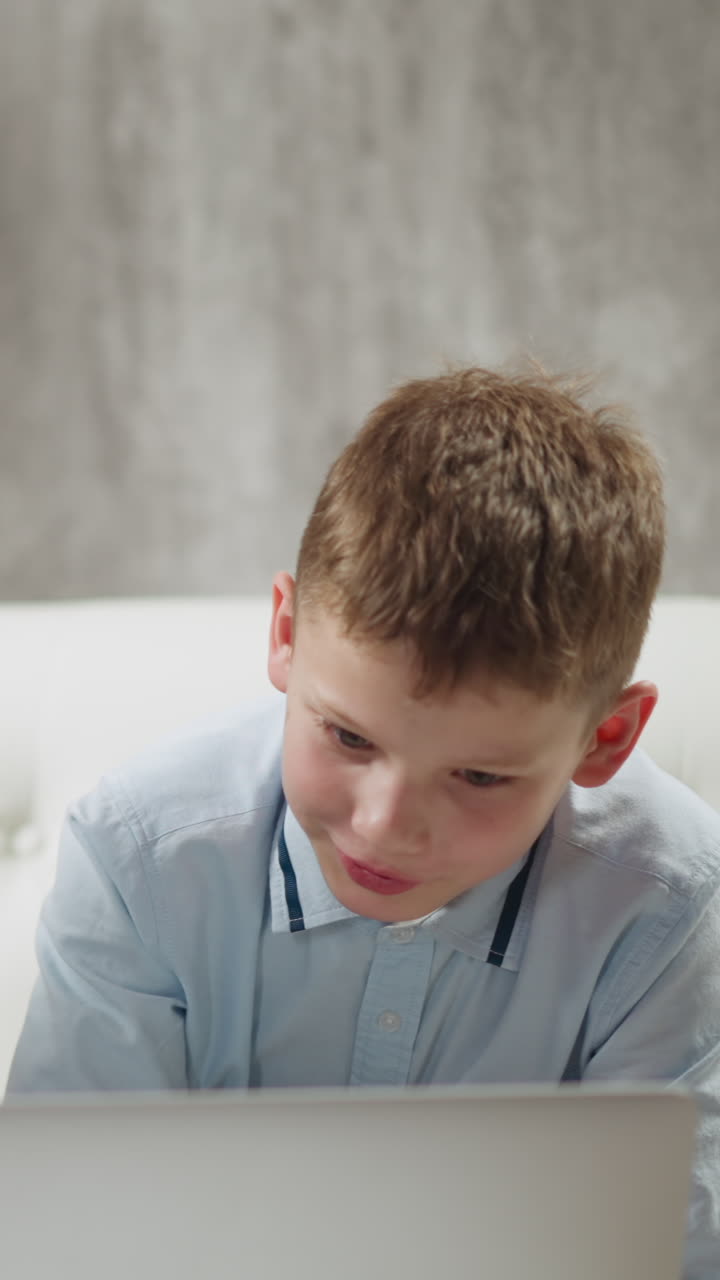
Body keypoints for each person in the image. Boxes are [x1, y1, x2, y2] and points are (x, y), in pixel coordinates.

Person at [7, 365, 720, 1276]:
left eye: (479, 776)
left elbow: (677, 1255)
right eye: (347, 736)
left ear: (605, 738)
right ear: (285, 634)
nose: (384, 828)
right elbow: (69, 1241)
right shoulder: (137, 857)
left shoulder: (671, 903)